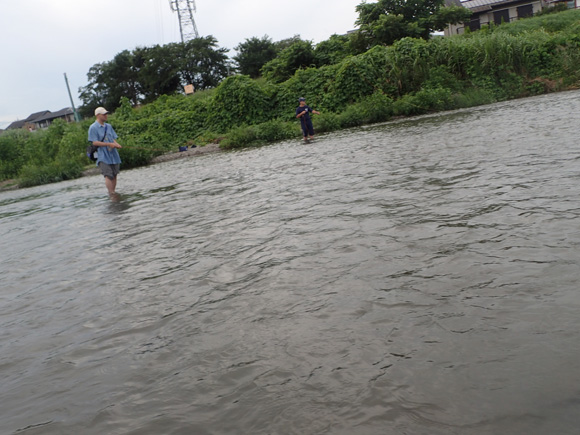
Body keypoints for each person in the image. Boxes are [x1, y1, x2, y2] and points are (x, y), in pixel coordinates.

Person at [88, 107, 122, 196]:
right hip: (102, 155)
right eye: (104, 114)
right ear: (98, 115)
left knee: (114, 174)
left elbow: (113, 139)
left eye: (106, 114)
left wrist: (116, 144)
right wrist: (108, 144)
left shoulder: (109, 126)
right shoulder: (93, 127)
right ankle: (111, 194)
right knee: (108, 175)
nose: (106, 116)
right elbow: (94, 142)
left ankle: (113, 193)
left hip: (113, 154)